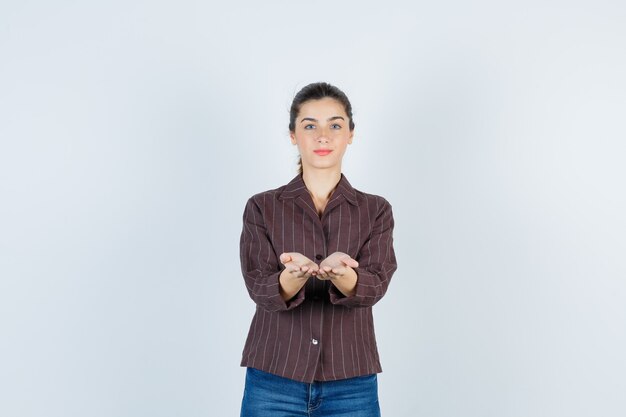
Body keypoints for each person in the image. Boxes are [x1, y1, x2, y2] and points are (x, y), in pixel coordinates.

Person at [239, 82, 398, 417]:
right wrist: (290, 278)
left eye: (335, 125)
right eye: (310, 125)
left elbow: (376, 283)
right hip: (273, 377)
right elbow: (258, 286)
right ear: (293, 135)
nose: (322, 136)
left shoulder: (376, 210)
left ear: (350, 133)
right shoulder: (262, 207)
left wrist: (345, 276)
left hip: (351, 381)